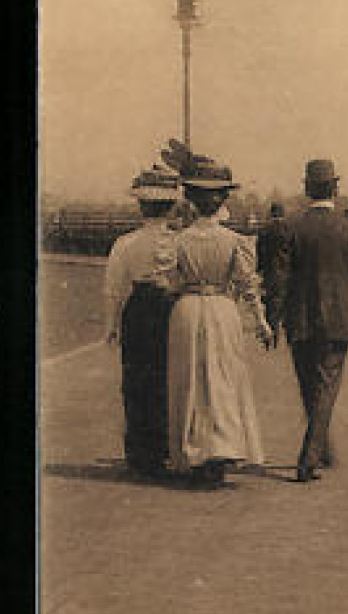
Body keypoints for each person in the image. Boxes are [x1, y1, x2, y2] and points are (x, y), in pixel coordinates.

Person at [165, 156, 275, 487]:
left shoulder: (177, 241)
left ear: (190, 200)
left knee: (191, 380)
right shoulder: (234, 241)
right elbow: (248, 286)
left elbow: (168, 282)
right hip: (223, 310)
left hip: (187, 310)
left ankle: (193, 453)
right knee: (223, 379)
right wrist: (261, 322)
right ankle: (220, 450)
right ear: (223, 200)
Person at [274, 159, 348, 482]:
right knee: (326, 386)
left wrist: (272, 317)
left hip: (300, 318)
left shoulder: (290, 228)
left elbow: (279, 279)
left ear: (306, 189)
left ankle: (321, 449)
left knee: (309, 386)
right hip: (339, 320)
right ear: (336, 188)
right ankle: (311, 456)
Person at [103, 164, 183, 478]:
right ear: (171, 206)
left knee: (136, 377)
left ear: (141, 206)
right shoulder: (178, 241)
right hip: (169, 308)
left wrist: (110, 325)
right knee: (167, 374)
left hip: (138, 309)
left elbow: (113, 287)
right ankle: (163, 444)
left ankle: (139, 451)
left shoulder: (125, 243)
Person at [255, 202, 292, 332]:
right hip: (286, 269)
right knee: (285, 296)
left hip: (270, 269)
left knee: (270, 298)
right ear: (283, 213)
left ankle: (272, 325)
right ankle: (284, 323)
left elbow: (259, 250)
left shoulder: (264, 229)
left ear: (271, 213)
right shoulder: (289, 228)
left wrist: (259, 268)